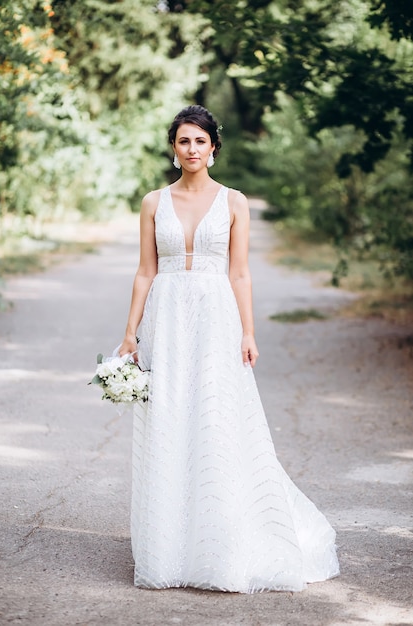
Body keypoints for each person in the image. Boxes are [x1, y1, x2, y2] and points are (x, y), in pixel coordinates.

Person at [119, 105, 339, 593]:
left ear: (213, 147)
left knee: (217, 417)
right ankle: (169, 542)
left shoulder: (234, 202)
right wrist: (131, 332)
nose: (192, 149)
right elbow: (145, 270)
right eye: (183, 142)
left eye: (200, 141)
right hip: (167, 317)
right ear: (173, 150)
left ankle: (223, 537)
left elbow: (239, 272)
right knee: (170, 417)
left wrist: (248, 332)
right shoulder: (154, 202)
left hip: (217, 316)